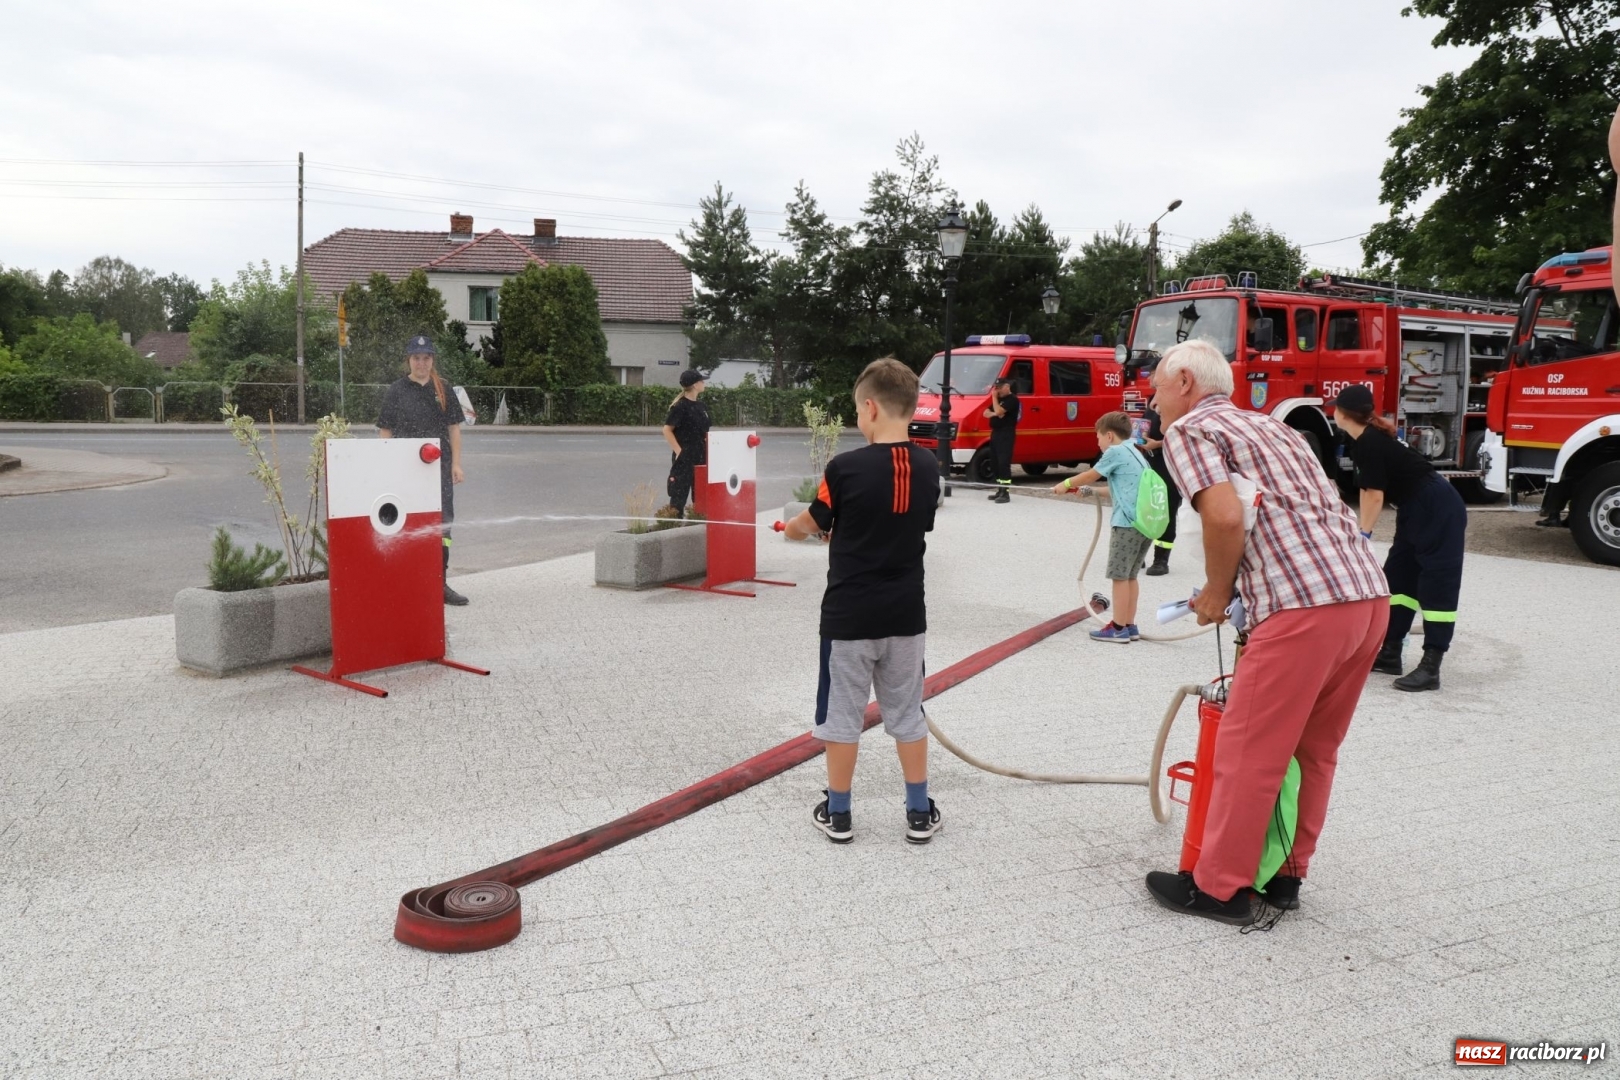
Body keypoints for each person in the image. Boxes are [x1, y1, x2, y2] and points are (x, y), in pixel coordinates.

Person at [1143, 339, 1389, 925]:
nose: (1152, 404)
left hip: (1301, 609)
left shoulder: (1191, 431)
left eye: (1154, 389)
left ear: (1183, 381)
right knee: (1315, 751)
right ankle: (1286, 878)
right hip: (1366, 597)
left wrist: (1218, 591)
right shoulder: (1273, 428)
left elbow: (1224, 516)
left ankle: (1219, 889)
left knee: (1249, 752)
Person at [782, 357, 943, 845]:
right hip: (905, 617)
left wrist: (793, 531)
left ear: (869, 408)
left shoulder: (843, 467)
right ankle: (918, 812)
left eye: (857, 410)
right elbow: (908, 523)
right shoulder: (928, 464)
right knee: (908, 715)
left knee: (842, 717)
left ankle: (840, 813)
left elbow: (809, 523)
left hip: (849, 619)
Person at [1334, 384, 1466, 692]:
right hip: (1415, 506)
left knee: (1436, 583)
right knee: (1399, 578)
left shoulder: (1368, 442)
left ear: (1342, 414)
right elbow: (1370, 491)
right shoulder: (1364, 439)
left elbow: (1373, 495)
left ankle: (1431, 665)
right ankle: (1390, 652)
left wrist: (1363, 535)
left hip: (1438, 506)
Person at [376, 334, 468, 606]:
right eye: (416, 358)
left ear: (432, 360)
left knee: (442, 528)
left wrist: (457, 464)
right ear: (409, 360)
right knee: (405, 525)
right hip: (405, 472)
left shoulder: (443, 389)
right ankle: (407, 583)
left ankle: (440, 583)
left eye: (426, 358)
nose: (421, 363)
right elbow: (386, 431)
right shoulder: (396, 390)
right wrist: (387, 467)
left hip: (438, 472)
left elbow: (454, 428)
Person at [1051, 411, 1151, 643]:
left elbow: (1090, 475)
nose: (1097, 443)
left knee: (1118, 576)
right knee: (1130, 576)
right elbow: (1120, 490)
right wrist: (1091, 493)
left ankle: (1117, 629)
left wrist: (1065, 484)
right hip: (1143, 523)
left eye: (1097, 438)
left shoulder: (1115, 451)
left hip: (1126, 523)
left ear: (1108, 435)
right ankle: (1128, 625)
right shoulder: (1136, 453)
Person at [1140, 401, 1183, 576]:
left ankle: (1161, 560)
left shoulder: (1180, 404)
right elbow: (1145, 424)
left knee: (1165, 509)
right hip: (1150, 462)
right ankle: (1138, 553)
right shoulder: (1153, 400)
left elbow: (1183, 438)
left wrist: (1157, 444)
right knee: (1143, 507)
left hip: (1169, 463)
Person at [662, 370, 710, 517]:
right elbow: (667, 430)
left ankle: (698, 522)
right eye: (702, 381)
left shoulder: (701, 406)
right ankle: (674, 526)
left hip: (701, 456)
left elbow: (705, 432)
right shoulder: (680, 406)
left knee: (701, 495)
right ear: (695, 385)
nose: (704, 383)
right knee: (678, 496)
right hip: (684, 457)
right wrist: (679, 452)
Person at [984, 376, 1019, 503]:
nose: (997, 391)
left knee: (1003, 462)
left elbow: (998, 411)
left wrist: (994, 401)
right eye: (996, 388)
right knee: (995, 462)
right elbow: (985, 412)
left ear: (1007, 386)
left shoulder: (1012, 400)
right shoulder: (999, 399)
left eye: (999, 388)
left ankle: (1005, 493)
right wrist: (996, 413)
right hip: (996, 433)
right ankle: (999, 489)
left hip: (1006, 433)